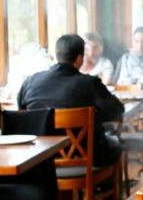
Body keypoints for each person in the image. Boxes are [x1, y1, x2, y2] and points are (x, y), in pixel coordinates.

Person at [19, 33, 124, 167]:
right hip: (84, 156)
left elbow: (21, 111)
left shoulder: (30, 82)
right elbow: (117, 111)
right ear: (80, 59)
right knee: (115, 145)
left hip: (40, 159)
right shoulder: (90, 83)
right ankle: (102, 187)